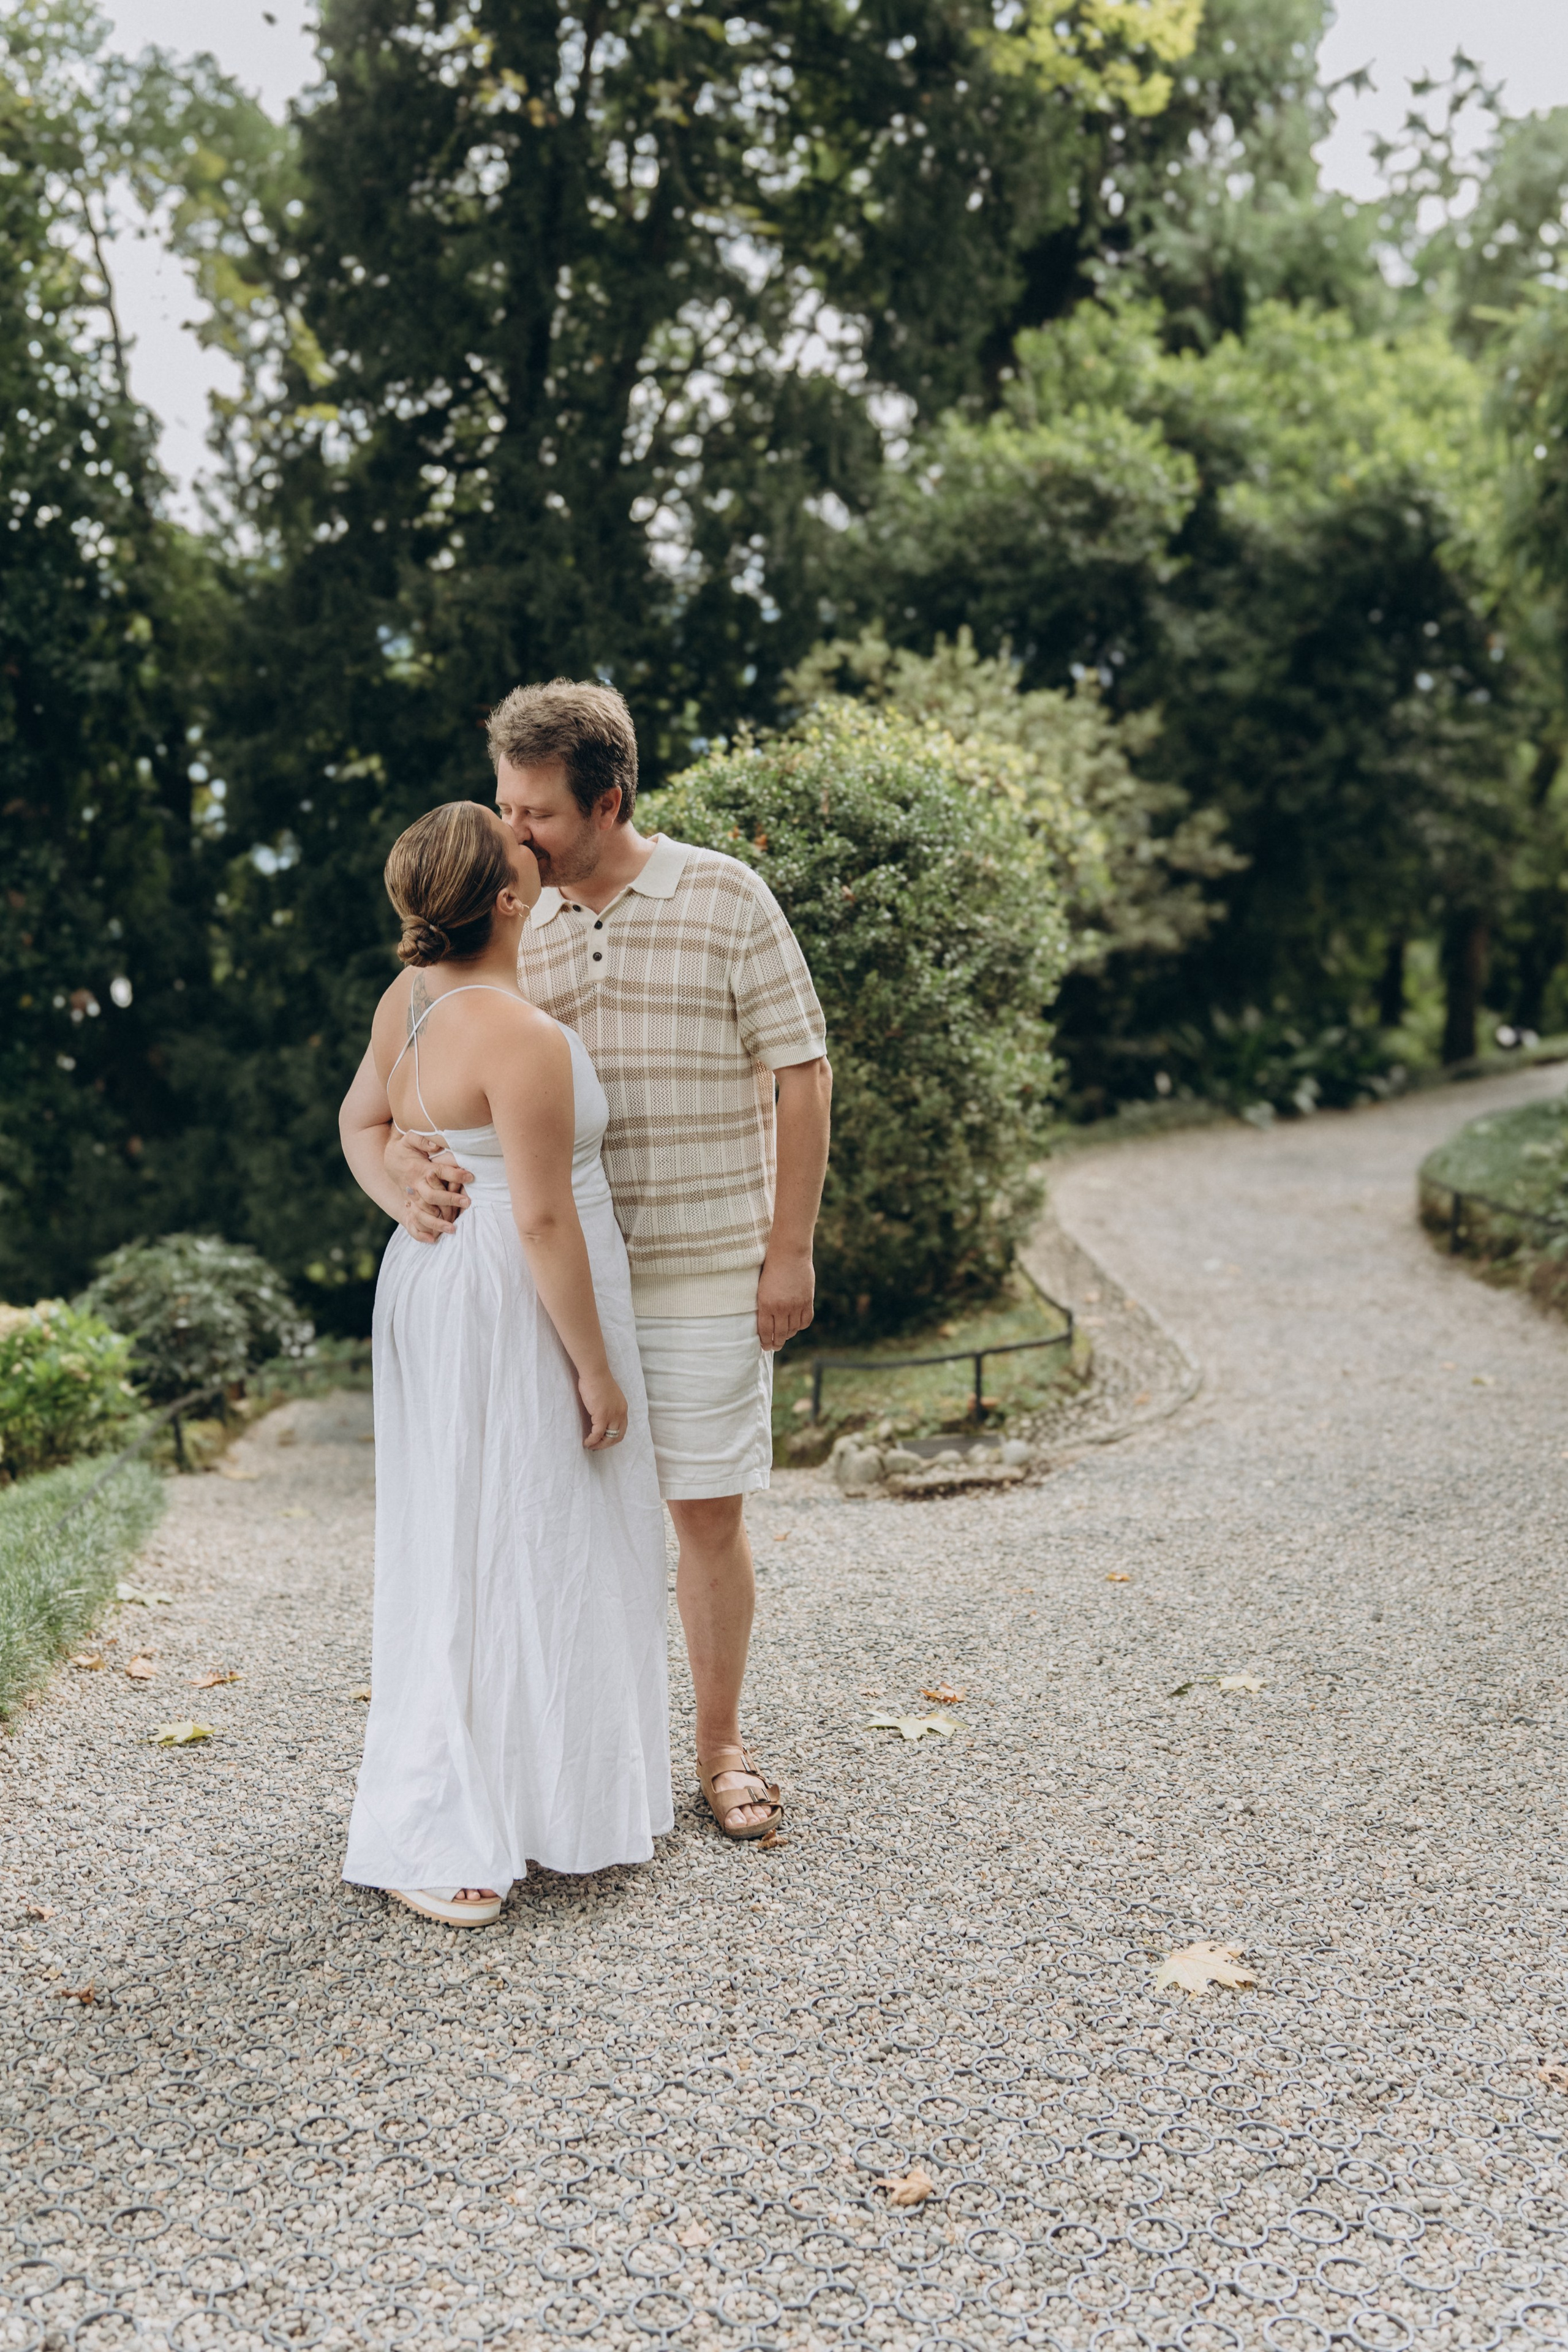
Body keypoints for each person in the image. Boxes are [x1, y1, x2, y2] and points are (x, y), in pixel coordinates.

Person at [389, 681, 831, 1841]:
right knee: (553, 1531)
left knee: (700, 1516)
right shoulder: (494, 926)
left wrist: (789, 1251)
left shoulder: (726, 898)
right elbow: (387, 1096)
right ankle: (581, 1768)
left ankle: (720, 1749)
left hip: (696, 1268)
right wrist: (397, 1176)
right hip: (547, 1293)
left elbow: (803, 1072)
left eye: (534, 811)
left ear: (610, 799)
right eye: (503, 804)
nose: (511, 830)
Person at [337, 801, 671, 1926]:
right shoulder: (519, 1038)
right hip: (509, 1300)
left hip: (431, 1285)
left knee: (477, 1529)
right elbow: (541, 1223)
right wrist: (595, 1368)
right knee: (524, 1528)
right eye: (528, 848)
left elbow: (358, 1125)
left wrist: (399, 1190)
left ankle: (536, 1793)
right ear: (512, 901)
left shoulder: (407, 1002)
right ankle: (442, 1817)